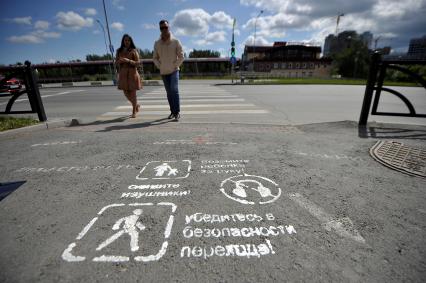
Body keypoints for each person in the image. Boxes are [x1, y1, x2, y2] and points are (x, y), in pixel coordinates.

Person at [153, 20, 184, 121]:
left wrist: (175, 65)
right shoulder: (157, 43)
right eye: (162, 28)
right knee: (169, 93)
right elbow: (154, 58)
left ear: (169, 27)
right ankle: (172, 112)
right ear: (160, 29)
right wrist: (160, 66)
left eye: (165, 27)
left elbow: (181, 56)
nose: (164, 29)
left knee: (174, 90)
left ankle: (177, 112)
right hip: (164, 72)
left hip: (174, 71)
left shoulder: (175, 41)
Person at [116, 34, 142, 118]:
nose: (127, 42)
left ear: (131, 41)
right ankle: (136, 105)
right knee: (126, 93)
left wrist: (128, 60)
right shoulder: (119, 51)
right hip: (123, 73)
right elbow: (116, 62)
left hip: (132, 73)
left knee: (133, 93)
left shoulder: (134, 50)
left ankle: (134, 110)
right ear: (123, 41)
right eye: (125, 40)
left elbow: (138, 63)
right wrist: (119, 62)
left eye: (128, 40)